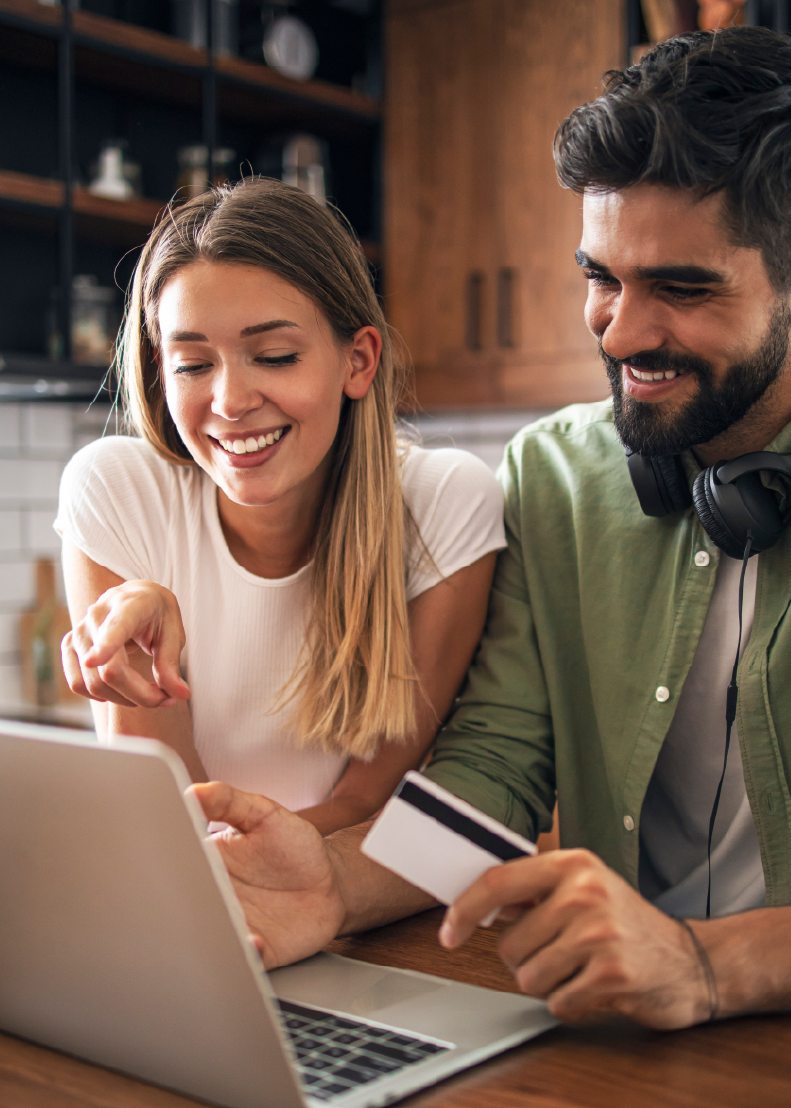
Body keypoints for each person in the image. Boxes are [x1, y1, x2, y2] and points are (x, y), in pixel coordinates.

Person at [193, 27, 791, 1028]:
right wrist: (338, 885)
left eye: (681, 287)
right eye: (601, 277)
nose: (619, 332)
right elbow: (494, 771)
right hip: (615, 1032)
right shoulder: (554, 476)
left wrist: (706, 965)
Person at [56, 180, 505, 834]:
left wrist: (272, 888)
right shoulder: (116, 491)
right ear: (158, 369)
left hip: (349, 907)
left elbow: (364, 806)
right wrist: (150, 645)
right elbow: (170, 821)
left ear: (358, 360)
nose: (230, 400)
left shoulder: (446, 503)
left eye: (274, 356)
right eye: (191, 364)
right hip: (188, 905)